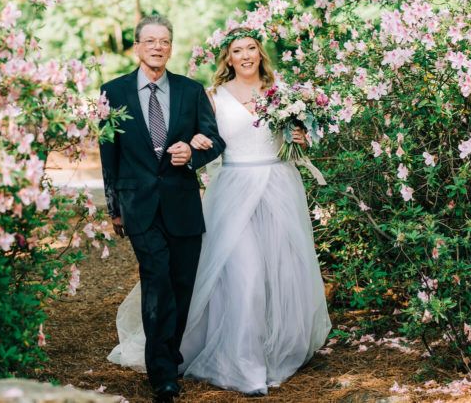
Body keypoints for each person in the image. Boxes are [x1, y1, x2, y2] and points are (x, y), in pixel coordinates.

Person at [108, 27, 331, 396]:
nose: (245, 56)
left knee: (283, 274)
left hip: (277, 189)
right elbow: (204, 135)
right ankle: (244, 365)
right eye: (237, 50)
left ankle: (274, 350)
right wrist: (195, 144)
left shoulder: (283, 94)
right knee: (245, 276)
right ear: (227, 58)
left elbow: (302, 136)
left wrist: (301, 137)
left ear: (261, 53)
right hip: (234, 193)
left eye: (252, 49)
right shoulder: (210, 95)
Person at [100, 14, 226, 402]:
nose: (158, 47)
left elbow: (216, 140)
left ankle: (168, 353)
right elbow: (109, 152)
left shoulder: (191, 91)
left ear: (171, 47)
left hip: (183, 204)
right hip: (138, 205)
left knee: (182, 285)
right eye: (150, 41)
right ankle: (163, 374)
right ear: (137, 47)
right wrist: (114, 208)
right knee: (157, 281)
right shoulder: (113, 91)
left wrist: (191, 153)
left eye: (165, 41)